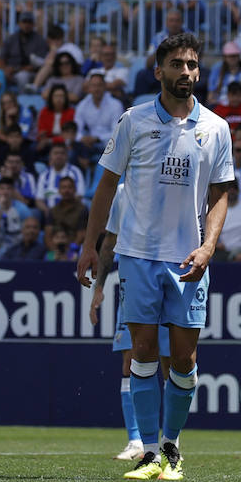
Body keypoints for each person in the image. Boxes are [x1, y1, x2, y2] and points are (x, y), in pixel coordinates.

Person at [74, 32, 236, 482]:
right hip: (138, 255)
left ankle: (172, 448)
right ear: (158, 71)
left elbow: (221, 194)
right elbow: (106, 186)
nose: (186, 72)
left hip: (188, 259)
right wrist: (89, 246)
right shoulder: (133, 121)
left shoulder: (216, 128)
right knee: (142, 353)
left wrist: (208, 246)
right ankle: (149, 452)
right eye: (177, 64)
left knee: (183, 360)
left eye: (192, 65)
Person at [87, 189, 174, 460]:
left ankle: (171, 442)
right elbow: (110, 240)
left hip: (169, 278)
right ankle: (136, 440)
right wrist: (99, 287)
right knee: (130, 361)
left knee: (170, 364)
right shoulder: (124, 192)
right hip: (134, 281)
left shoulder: (175, 185)